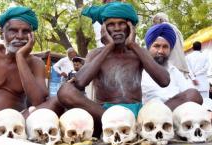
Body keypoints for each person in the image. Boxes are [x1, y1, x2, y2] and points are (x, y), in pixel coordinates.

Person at [57, 2, 170, 136]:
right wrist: (108, 47)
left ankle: (131, 126)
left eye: (121, 23)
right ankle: (117, 125)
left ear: (130, 28)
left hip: (136, 115)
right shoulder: (96, 54)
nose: (116, 28)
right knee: (65, 91)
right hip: (104, 116)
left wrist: (133, 45)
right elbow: (80, 82)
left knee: (192, 94)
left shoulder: (138, 52)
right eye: (110, 24)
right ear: (104, 29)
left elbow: (164, 81)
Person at [141, 23, 203, 110]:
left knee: (194, 94)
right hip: (149, 115)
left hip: (176, 115)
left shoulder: (173, 70)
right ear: (148, 47)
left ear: (170, 50)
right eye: (156, 46)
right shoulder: (139, 70)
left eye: (165, 47)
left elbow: (192, 93)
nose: (161, 51)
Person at [152, 12, 189, 77]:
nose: (154, 25)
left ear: (160, 20)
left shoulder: (162, 27)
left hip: (171, 65)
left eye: (155, 22)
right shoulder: (175, 29)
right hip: (180, 64)